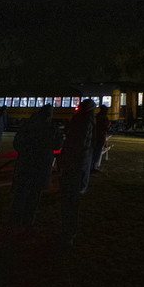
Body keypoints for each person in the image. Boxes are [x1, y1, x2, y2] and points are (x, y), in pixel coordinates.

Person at [11, 104, 63, 230]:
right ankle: (28, 221)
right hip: (41, 166)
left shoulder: (27, 125)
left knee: (21, 193)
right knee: (34, 195)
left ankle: (16, 220)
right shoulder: (52, 128)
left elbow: (17, 143)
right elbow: (57, 146)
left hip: (25, 164)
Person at [60, 98, 96, 246]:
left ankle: (67, 232)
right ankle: (69, 233)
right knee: (73, 199)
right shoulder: (88, 122)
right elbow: (84, 144)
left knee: (69, 199)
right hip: (79, 164)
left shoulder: (77, 121)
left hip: (71, 163)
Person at [92, 104, 111, 172]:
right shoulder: (104, 117)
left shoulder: (97, 116)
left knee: (95, 151)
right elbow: (106, 127)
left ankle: (92, 165)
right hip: (100, 136)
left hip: (95, 135)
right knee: (98, 151)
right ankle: (94, 166)